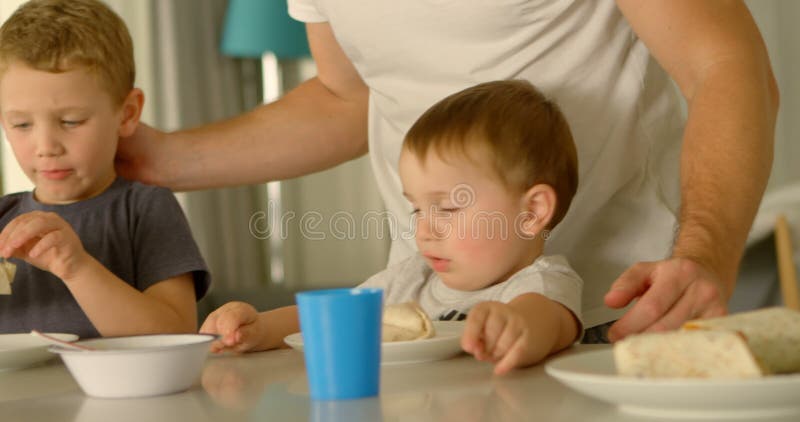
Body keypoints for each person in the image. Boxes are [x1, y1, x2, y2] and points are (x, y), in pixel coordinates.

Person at [116, 1, 779, 342]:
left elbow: (724, 64)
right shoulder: (409, 275)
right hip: (429, 324)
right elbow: (346, 97)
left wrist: (705, 256)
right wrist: (163, 160)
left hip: (623, 311)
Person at [201, 80, 583, 374]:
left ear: (531, 211)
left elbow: (543, 324)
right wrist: (257, 329)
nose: (425, 231)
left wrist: (514, 325)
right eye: (416, 209)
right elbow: (336, 317)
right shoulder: (411, 279)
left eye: (448, 208)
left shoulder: (542, 285)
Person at [0, 0, 210, 339]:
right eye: (21, 124)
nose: (46, 146)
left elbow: (175, 333)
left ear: (127, 114)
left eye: (71, 121)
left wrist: (76, 267)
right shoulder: (3, 217)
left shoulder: (145, 209)